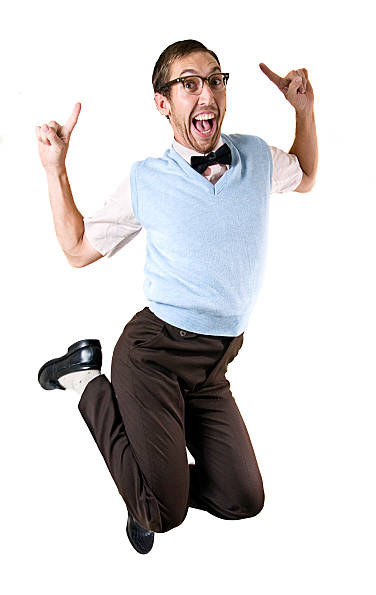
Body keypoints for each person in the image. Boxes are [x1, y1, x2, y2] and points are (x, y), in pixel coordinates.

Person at [36, 39, 318, 555]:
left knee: (243, 499)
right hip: (154, 356)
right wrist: (55, 168)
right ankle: (82, 380)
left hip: (213, 368)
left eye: (214, 79)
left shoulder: (255, 156)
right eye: (189, 83)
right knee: (164, 516)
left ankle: (146, 479)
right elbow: (77, 249)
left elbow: (306, 173)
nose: (206, 92)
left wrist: (304, 110)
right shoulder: (149, 179)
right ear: (164, 103)